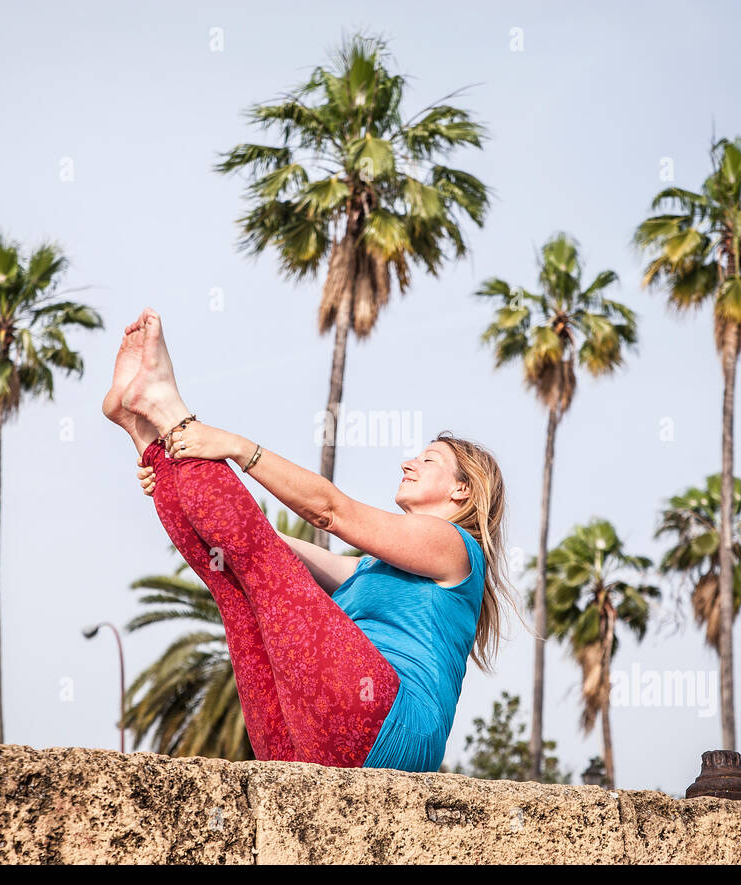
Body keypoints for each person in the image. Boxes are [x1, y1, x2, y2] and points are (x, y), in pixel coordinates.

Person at [103, 308, 519, 772]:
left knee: (252, 557)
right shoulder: (369, 570)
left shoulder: (456, 548)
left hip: (393, 729)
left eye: (429, 460)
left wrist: (238, 447)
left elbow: (330, 511)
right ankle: (145, 433)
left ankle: (164, 406)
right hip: (313, 742)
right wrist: (171, 476)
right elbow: (259, 538)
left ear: (462, 489)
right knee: (232, 574)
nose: (408, 464)